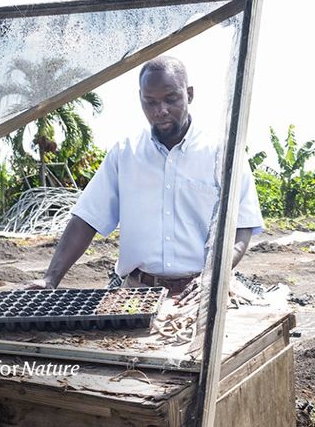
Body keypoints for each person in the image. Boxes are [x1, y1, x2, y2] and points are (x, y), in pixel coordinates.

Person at [27, 56, 263, 294]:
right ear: (140, 98)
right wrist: (50, 278)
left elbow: (241, 226)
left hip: (205, 292)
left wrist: (212, 277)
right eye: (150, 102)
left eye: (171, 99)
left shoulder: (223, 154)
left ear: (189, 94)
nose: (160, 111)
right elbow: (87, 219)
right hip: (137, 292)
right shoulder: (125, 153)